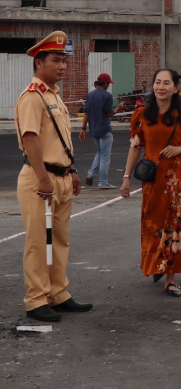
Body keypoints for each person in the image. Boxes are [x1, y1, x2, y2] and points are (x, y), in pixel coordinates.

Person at [14, 31, 92, 322]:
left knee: (59, 240)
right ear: (39, 63)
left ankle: (57, 293)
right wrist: (43, 178)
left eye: (63, 61)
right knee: (38, 242)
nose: (62, 66)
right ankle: (36, 300)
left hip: (61, 177)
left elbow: (60, 140)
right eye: (56, 61)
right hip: (40, 179)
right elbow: (31, 139)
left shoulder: (54, 97)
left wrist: (71, 171)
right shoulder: (32, 97)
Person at [120, 69, 181, 298]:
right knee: (152, 225)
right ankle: (157, 264)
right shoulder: (141, 115)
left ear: (176, 88)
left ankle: (170, 278)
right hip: (152, 181)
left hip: (179, 182)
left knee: (175, 228)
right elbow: (135, 147)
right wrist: (126, 178)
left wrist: (180, 149)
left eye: (166, 83)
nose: (160, 87)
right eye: (157, 82)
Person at [80, 73, 125, 189]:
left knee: (100, 152)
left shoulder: (90, 95)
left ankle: (91, 173)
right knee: (105, 157)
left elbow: (86, 113)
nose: (108, 86)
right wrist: (118, 109)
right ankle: (103, 182)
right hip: (104, 129)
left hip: (94, 129)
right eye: (108, 83)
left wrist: (83, 128)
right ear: (105, 83)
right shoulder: (107, 96)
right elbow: (109, 113)